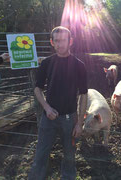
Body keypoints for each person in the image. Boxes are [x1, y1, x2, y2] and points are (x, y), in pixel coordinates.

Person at [28, 26, 88, 180]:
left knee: (69, 156)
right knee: (41, 154)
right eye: (57, 41)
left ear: (71, 41)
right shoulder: (46, 63)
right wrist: (46, 108)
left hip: (70, 118)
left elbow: (83, 94)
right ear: (51, 42)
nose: (60, 44)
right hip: (49, 117)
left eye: (63, 40)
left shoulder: (79, 65)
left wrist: (79, 123)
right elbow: (37, 88)